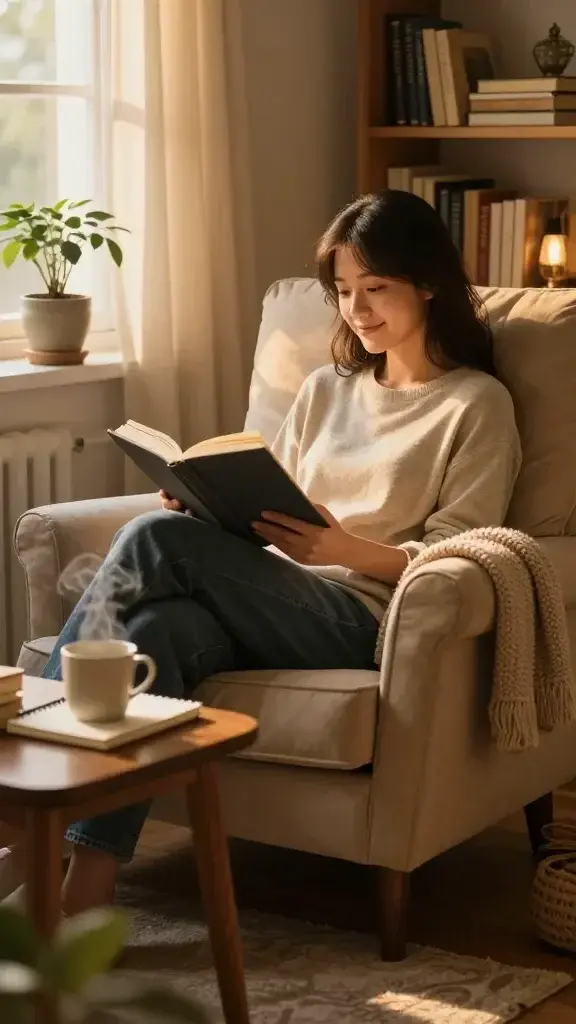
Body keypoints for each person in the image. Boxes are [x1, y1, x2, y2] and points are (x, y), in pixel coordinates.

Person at [0, 189, 521, 913]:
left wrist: (349, 548)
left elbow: (467, 554)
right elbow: (274, 502)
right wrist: (206, 507)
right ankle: (87, 880)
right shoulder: (324, 390)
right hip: (274, 594)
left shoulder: (476, 405)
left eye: (376, 289)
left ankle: (28, 819)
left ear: (428, 284)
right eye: (342, 292)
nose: (356, 311)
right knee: (153, 631)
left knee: (153, 541)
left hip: (367, 617)